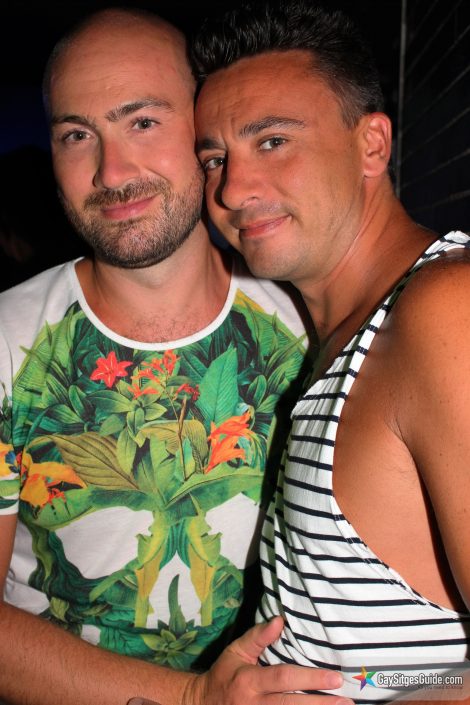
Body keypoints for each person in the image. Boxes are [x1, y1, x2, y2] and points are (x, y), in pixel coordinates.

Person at [0, 7, 348, 705]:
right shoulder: (12, 343)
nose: (111, 171)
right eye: (77, 135)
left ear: (202, 130)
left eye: (143, 122)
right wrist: (191, 700)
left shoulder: (311, 324)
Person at [192, 0, 470, 701]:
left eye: (272, 141)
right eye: (215, 158)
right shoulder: (341, 334)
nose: (232, 189)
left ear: (372, 144)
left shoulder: (446, 310)